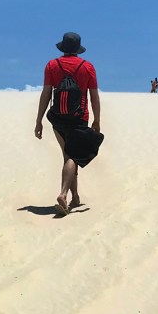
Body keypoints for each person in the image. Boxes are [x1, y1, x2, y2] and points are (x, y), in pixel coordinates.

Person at [35, 32, 103, 215]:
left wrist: (39, 120)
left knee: (68, 154)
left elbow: (46, 94)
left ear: (63, 47)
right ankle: (63, 195)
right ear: (78, 48)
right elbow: (94, 96)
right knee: (72, 156)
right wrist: (97, 119)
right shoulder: (87, 67)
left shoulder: (52, 65)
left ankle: (75, 197)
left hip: (57, 117)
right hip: (79, 117)